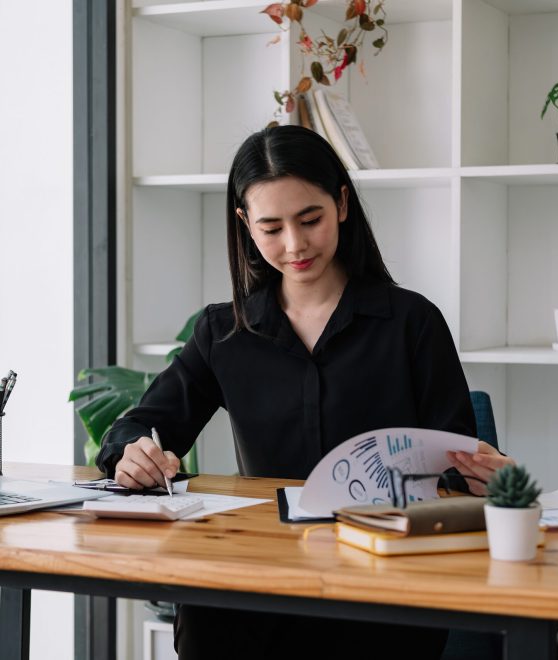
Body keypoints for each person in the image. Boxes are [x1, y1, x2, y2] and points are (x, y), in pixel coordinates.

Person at [97, 125, 514, 659]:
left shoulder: (411, 322)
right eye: (271, 227)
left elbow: (455, 464)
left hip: (381, 575)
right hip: (262, 577)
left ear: (341, 203)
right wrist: (130, 454)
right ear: (245, 225)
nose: (294, 245)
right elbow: (140, 426)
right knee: (207, 607)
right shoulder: (224, 333)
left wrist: (488, 474)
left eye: (310, 219)